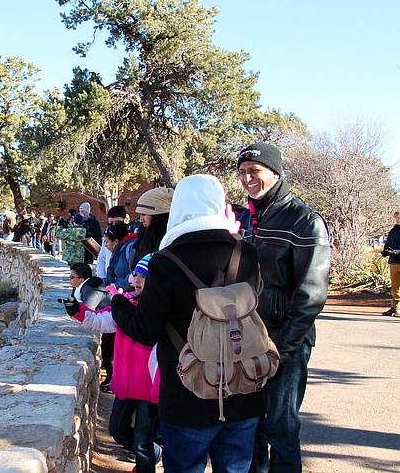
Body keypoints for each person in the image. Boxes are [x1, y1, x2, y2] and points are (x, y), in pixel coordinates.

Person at [113, 174, 264, 473]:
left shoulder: (166, 261)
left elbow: (145, 331)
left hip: (189, 391)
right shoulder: (245, 252)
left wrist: (118, 303)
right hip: (243, 385)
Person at [236, 142, 331, 473]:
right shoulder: (245, 219)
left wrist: (283, 347)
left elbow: (311, 295)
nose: (248, 178)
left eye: (255, 171)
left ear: (275, 174)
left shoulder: (304, 221)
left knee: (280, 426)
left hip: (284, 342)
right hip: (246, 338)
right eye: (243, 172)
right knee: (250, 426)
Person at [65, 256, 161, 473]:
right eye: (137, 274)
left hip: (150, 386)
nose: (138, 280)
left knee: (142, 439)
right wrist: (77, 311)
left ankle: (146, 461)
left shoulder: (161, 311)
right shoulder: (125, 303)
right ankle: (155, 452)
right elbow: (101, 321)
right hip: (126, 382)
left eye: (144, 277)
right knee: (117, 429)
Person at [131, 187, 174, 268]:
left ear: (158, 217)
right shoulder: (143, 236)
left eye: (144, 214)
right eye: (139, 215)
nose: (141, 220)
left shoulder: (170, 241)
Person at [96, 205, 129, 280]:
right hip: (109, 278)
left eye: (117, 223)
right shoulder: (108, 233)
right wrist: (102, 276)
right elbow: (102, 256)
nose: (114, 226)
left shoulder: (131, 237)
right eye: (110, 223)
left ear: (125, 220)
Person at [381, 211, 400, 317]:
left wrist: (397, 251)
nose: (397, 219)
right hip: (394, 262)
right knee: (395, 287)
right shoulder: (393, 231)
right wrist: (386, 252)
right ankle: (395, 307)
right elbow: (388, 244)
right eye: (396, 218)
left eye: (399, 217)